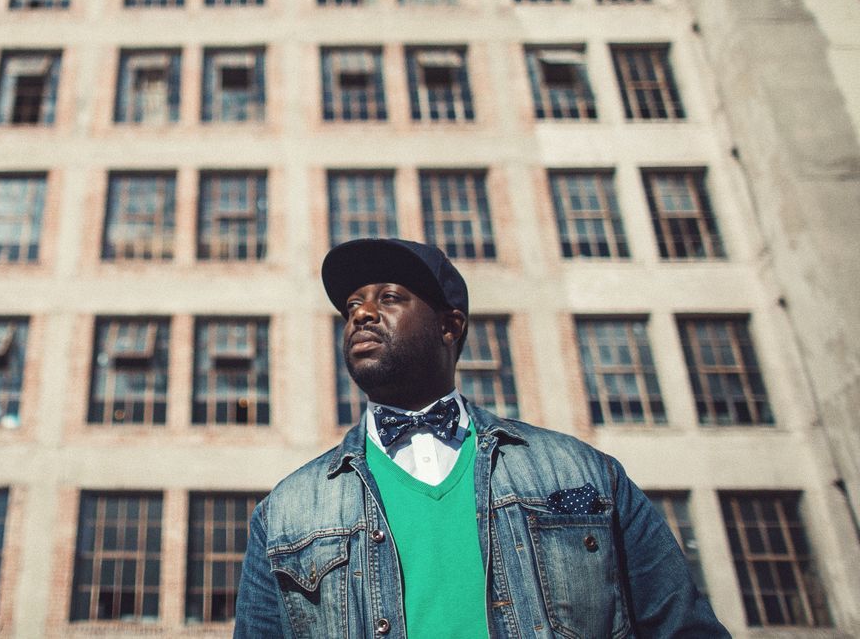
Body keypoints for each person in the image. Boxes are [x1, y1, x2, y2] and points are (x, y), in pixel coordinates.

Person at [234, 237, 728, 638]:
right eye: (352, 306)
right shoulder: (285, 513)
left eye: (388, 297)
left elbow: (683, 628)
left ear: (450, 327)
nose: (361, 314)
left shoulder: (586, 473)